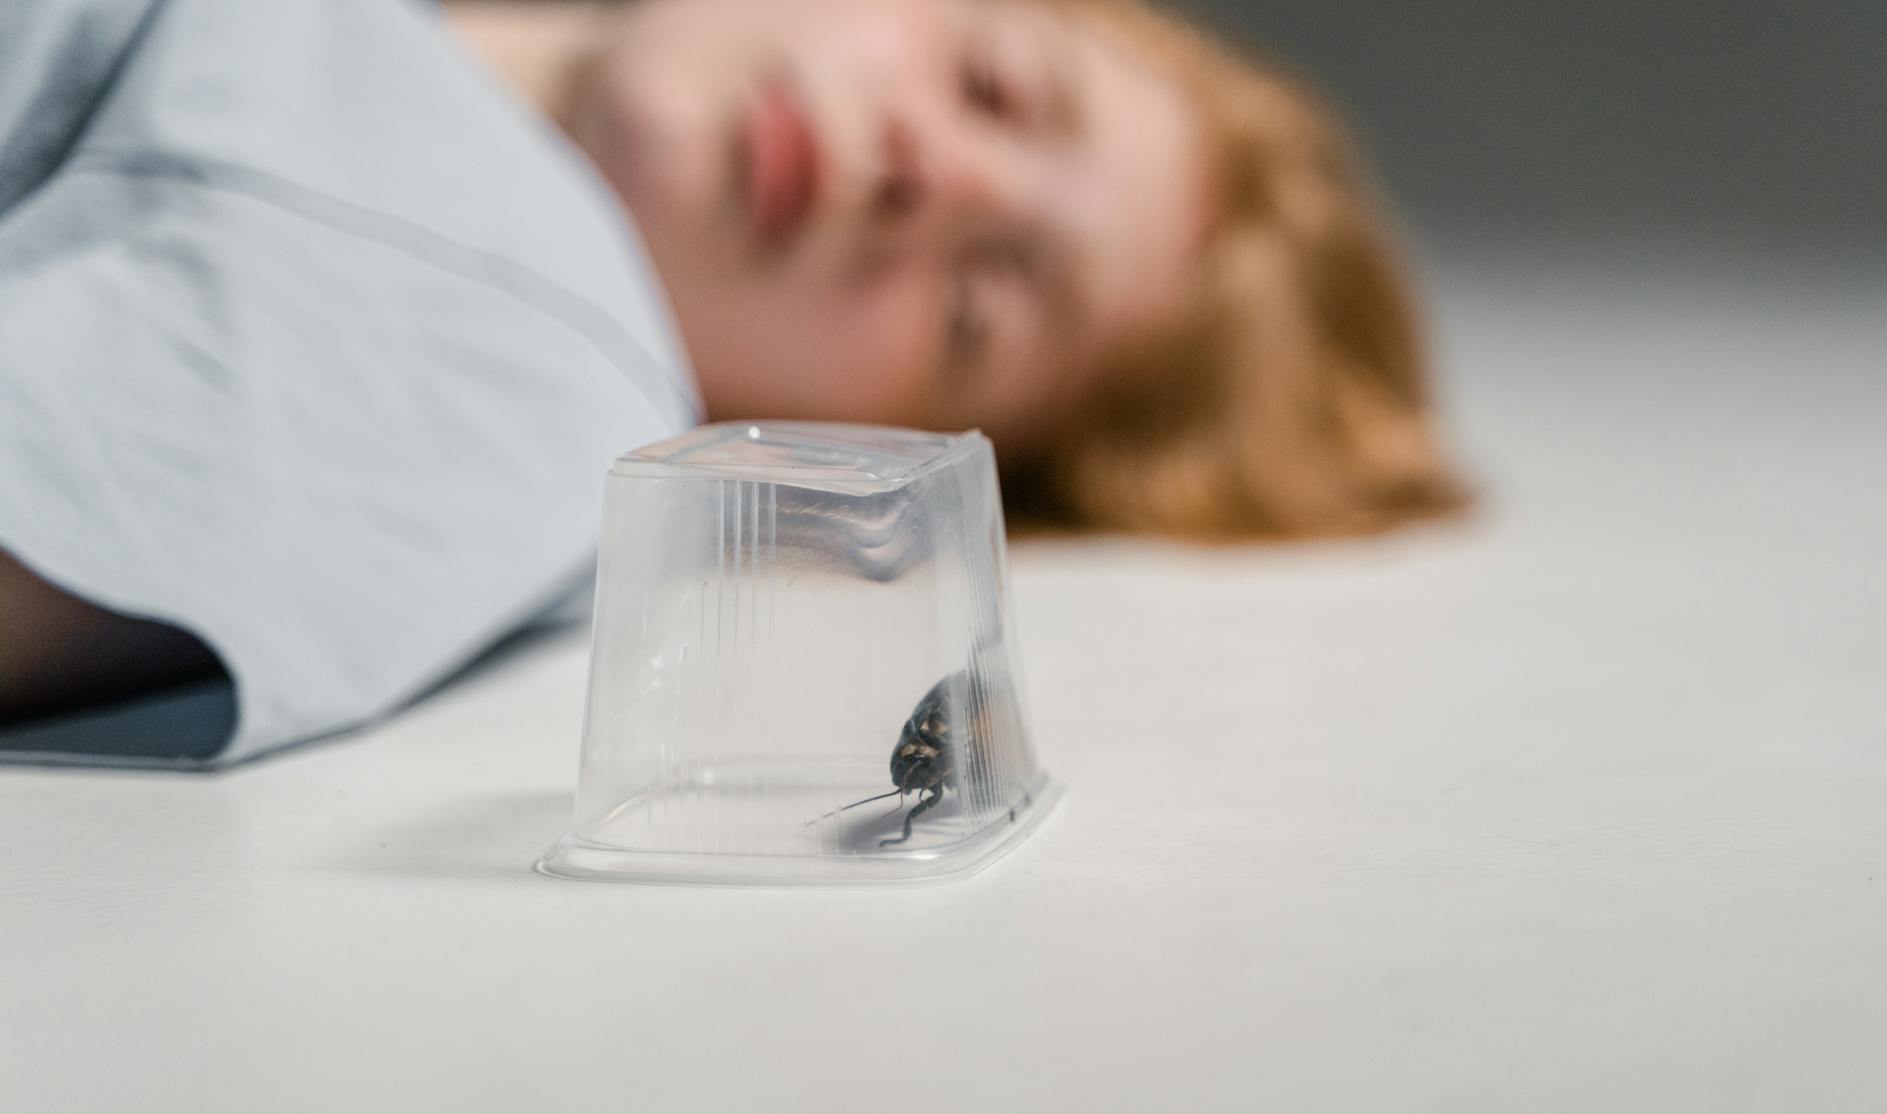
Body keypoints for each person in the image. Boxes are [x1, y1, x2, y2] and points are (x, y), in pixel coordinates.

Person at [0, 0, 1463, 764]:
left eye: (978, 306)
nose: (925, 171)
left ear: (905, 463)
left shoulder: (507, 375)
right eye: (993, 84)